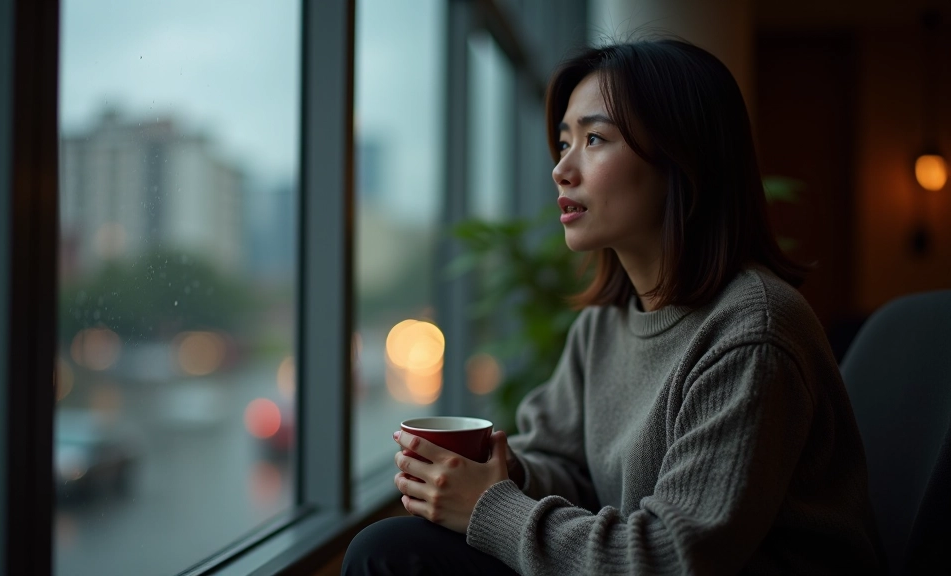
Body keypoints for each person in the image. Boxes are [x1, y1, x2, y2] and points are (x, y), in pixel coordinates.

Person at [342, 38, 884, 576]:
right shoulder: (604, 324)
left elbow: (673, 558)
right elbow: (567, 468)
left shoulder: (751, 333)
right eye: (563, 142)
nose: (561, 169)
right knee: (394, 546)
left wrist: (490, 507)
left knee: (391, 556)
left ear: (682, 157)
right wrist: (502, 473)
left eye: (594, 139)